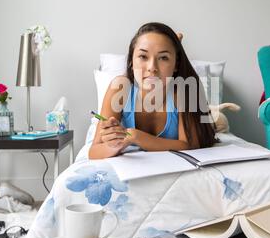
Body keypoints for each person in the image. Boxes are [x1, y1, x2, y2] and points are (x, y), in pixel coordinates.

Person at [89, 22, 217, 159]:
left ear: (176, 65)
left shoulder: (183, 91)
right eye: (143, 57)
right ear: (131, 62)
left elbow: (190, 147)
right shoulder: (119, 88)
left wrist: (136, 137)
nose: (152, 67)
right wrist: (118, 143)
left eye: (163, 58)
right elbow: (94, 152)